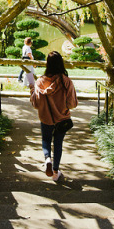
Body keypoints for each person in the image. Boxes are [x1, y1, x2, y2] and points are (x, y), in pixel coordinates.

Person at [29, 51, 78, 183]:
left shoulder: (40, 81)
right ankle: (55, 172)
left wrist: (32, 90)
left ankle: (47, 159)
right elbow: (72, 104)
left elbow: (36, 104)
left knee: (46, 140)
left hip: (46, 117)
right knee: (58, 143)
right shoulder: (66, 81)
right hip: (62, 118)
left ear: (48, 64)